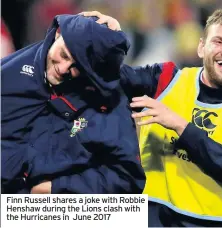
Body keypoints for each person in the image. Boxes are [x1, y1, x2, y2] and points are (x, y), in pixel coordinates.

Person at [83, 9, 222, 227]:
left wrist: (179, 124)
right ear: (201, 47)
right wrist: (109, 39)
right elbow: (104, 79)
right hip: (155, 216)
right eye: (218, 41)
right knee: (55, 215)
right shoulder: (166, 80)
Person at [1, 14, 146, 194]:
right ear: (57, 34)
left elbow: (128, 179)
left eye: (77, 66)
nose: (62, 68)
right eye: (63, 54)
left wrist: (55, 188)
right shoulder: (9, 74)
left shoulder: (106, 103)